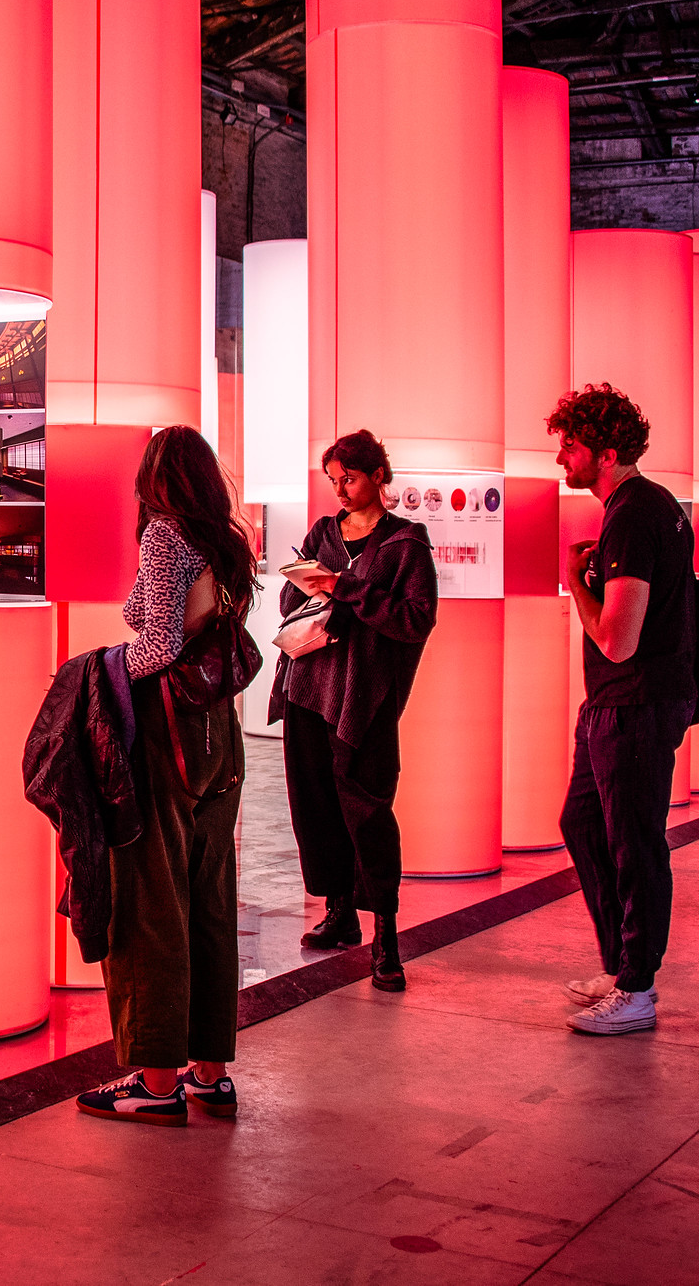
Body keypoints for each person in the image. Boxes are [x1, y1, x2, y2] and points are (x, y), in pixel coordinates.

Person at [75, 426, 258, 1128]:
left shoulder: (165, 538)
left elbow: (156, 647)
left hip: (167, 735)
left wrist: (101, 666)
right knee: (211, 897)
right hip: (223, 738)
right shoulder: (227, 542)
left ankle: (155, 1081)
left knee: (153, 901)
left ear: (155, 478)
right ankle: (209, 1074)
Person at [550, 384, 695, 1036]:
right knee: (584, 824)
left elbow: (616, 638)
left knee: (634, 845)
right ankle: (621, 967)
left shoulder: (634, 516)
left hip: (634, 706)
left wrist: (573, 588)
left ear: (605, 453)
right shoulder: (645, 509)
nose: (561, 459)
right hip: (615, 706)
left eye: (570, 446)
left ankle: (636, 989)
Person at [271, 430, 438, 991]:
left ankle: (385, 935)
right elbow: (290, 600)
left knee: (368, 812)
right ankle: (340, 913)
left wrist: (346, 589)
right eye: (334, 480)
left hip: (364, 696)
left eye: (351, 478)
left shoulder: (406, 544)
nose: (342, 490)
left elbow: (415, 620)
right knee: (315, 804)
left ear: (377, 477)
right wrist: (308, 588)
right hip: (308, 685)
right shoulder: (324, 532)